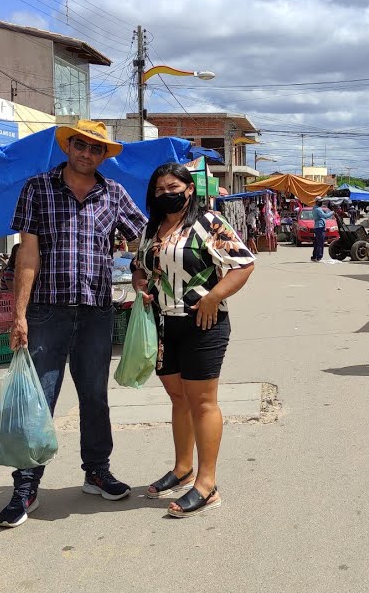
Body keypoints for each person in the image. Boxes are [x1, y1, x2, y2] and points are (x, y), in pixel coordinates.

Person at [1, 119, 148, 529]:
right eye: (81, 145)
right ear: (69, 146)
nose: (87, 154)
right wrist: (19, 315)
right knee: (40, 400)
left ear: (104, 156)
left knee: (95, 397)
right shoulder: (38, 188)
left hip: (97, 311)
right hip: (47, 311)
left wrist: (139, 266)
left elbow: (142, 236)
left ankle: (96, 470)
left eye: (96, 149)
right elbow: (27, 254)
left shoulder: (113, 194)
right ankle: (26, 485)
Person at [131, 163, 255, 518]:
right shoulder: (152, 227)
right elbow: (140, 266)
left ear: (189, 189)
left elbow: (243, 264)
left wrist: (214, 296)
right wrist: (140, 282)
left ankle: (207, 484)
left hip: (203, 323)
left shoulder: (209, 223)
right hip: (163, 325)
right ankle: (183, 467)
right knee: (177, 397)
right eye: (158, 190)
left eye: (172, 187)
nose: (165, 194)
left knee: (202, 403)